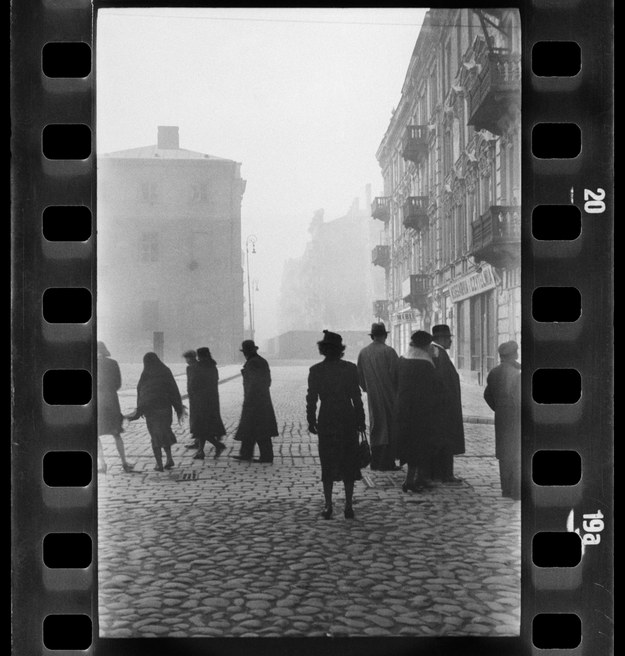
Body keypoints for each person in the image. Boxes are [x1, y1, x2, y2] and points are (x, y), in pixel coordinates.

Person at [306, 330, 366, 519]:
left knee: (328, 461)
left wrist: (311, 419)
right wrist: (361, 421)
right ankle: (348, 505)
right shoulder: (349, 369)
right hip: (347, 418)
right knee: (349, 462)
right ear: (340, 350)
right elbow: (357, 398)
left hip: (327, 418)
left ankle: (328, 505)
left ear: (323, 350)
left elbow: (311, 398)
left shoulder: (316, 370)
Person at [394, 330, 442, 492]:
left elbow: (395, 383)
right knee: (420, 445)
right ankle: (411, 480)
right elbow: (435, 388)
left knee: (410, 444)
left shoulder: (403, 360)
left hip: (404, 409)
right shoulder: (425, 363)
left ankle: (418, 478)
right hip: (422, 411)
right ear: (426, 345)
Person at [128, 352, 184, 472]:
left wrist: (139, 409)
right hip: (165, 409)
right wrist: (178, 407)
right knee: (164, 432)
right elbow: (173, 389)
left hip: (151, 410)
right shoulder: (165, 371)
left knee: (155, 436)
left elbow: (142, 392)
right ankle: (169, 459)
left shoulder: (146, 374)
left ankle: (159, 464)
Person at [356, 322, 400, 471]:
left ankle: (376, 462)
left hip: (373, 397)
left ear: (372, 336)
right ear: (385, 336)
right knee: (389, 426)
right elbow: (396, 375)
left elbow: (360, 377)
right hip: (390, 396)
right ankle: (388, 462)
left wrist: (368, 388)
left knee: (376, 425)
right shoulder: (389, 352)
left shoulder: (363, 353)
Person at [483, 341, 522, 501]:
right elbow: (519, 399)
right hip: (516, 417)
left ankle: (506, 489)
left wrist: (498, 408)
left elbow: (487, 395)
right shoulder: (517, 374)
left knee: (504, 453)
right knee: (517, 452)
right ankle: (516, 491)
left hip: (501, 417)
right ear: (514, 355)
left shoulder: (494, 372)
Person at [232, 340, 278, 463]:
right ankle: (246, 453)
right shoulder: (260, 361)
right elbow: (267, 381)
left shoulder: (253, 363)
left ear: (246, 352)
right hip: (262, 399)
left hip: (254, 401)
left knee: (259, 428)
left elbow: (253, 383)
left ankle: (266, 456)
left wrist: (250, 399)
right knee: (250, 428)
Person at [430, 324, 465, 485]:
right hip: (445, 407)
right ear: (441, 339)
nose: (451, 341)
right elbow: (443, 382)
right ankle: (446, 474)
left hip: (438, 407)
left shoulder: (434, 351)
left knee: (439, 441)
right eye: (449, 338)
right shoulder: (441, 354)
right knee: (446, 440)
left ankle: (438, 472)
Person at [96, 341, 135, 474]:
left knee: (96, 435)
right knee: (116, 433)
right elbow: (118, 384)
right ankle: (124, 462)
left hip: (97, 401)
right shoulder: (113, 363)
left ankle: (102, 464)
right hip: (111, 400)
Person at [188, 347, 227, 459]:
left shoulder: (198, 367)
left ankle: (216, 445)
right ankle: (201, 451)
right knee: (205, 427)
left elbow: (194, 384)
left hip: (200, 401)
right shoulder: (213, 366)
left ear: (199, 356)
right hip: (212, 400)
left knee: (200, 427)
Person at [182, 350, 200, 451]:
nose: (186, 360)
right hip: (194, 397)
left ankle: (198, 441)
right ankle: (197, 440)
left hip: (196, 397)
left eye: (187, 358)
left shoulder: (192, 368)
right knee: (195, 419)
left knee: (196, 420)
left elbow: (193, 382)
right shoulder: (194, 367)